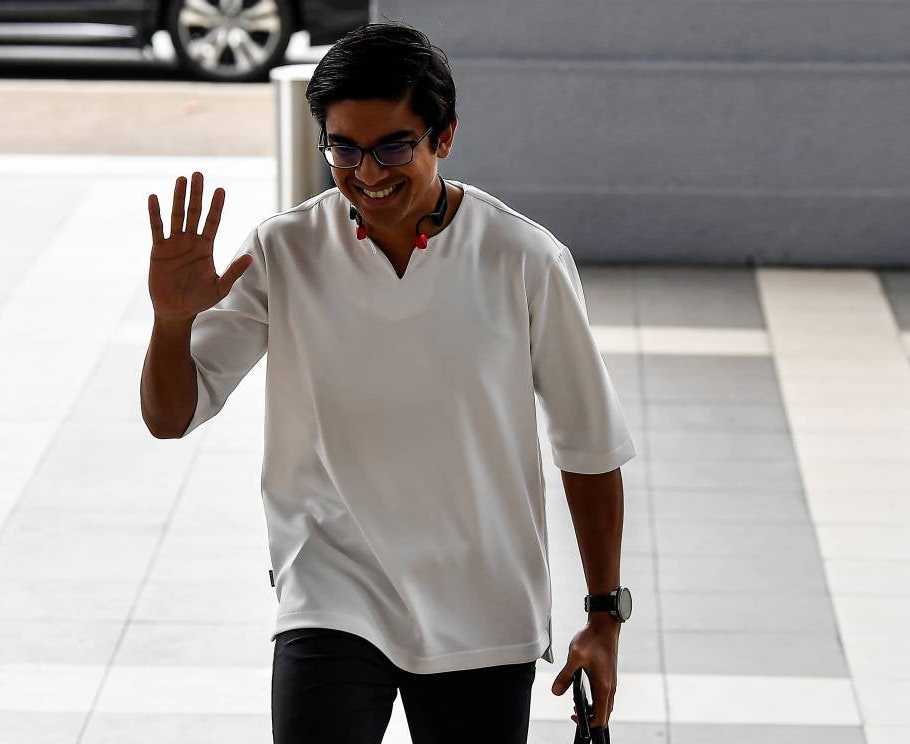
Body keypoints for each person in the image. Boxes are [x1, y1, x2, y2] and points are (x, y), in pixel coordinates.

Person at [141, 21, 636, 744]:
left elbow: (589, 449)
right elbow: (169, 416)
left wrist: (602, 619)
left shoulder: (524, 258)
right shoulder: (283, 252)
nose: (368, 173)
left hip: (484, 608)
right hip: (331, 594)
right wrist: (170, 323)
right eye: (344, 148)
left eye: (393, 146)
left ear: (445, 136)